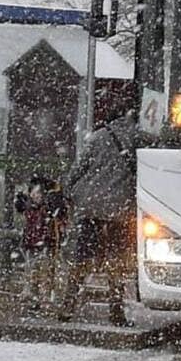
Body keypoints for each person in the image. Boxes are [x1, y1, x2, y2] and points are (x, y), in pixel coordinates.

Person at [58, 111, 137, 326]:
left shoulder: (98, 136)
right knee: (117, 262)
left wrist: (69, 192)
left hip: (91, 208)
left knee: (81, 258)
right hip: (120, 211)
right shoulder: (137, 138)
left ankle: (68, 305)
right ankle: (116, 311)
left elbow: (77, 169)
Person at [14, 174, 70, 310]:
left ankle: (42, 298)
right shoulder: (36, 205)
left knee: (43, 270)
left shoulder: (48, 204)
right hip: (37, 242)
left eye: (37, 192)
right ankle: (38, 297)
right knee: (36, 269)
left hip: (43, 241)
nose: (35, 195)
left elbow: (59, 217)